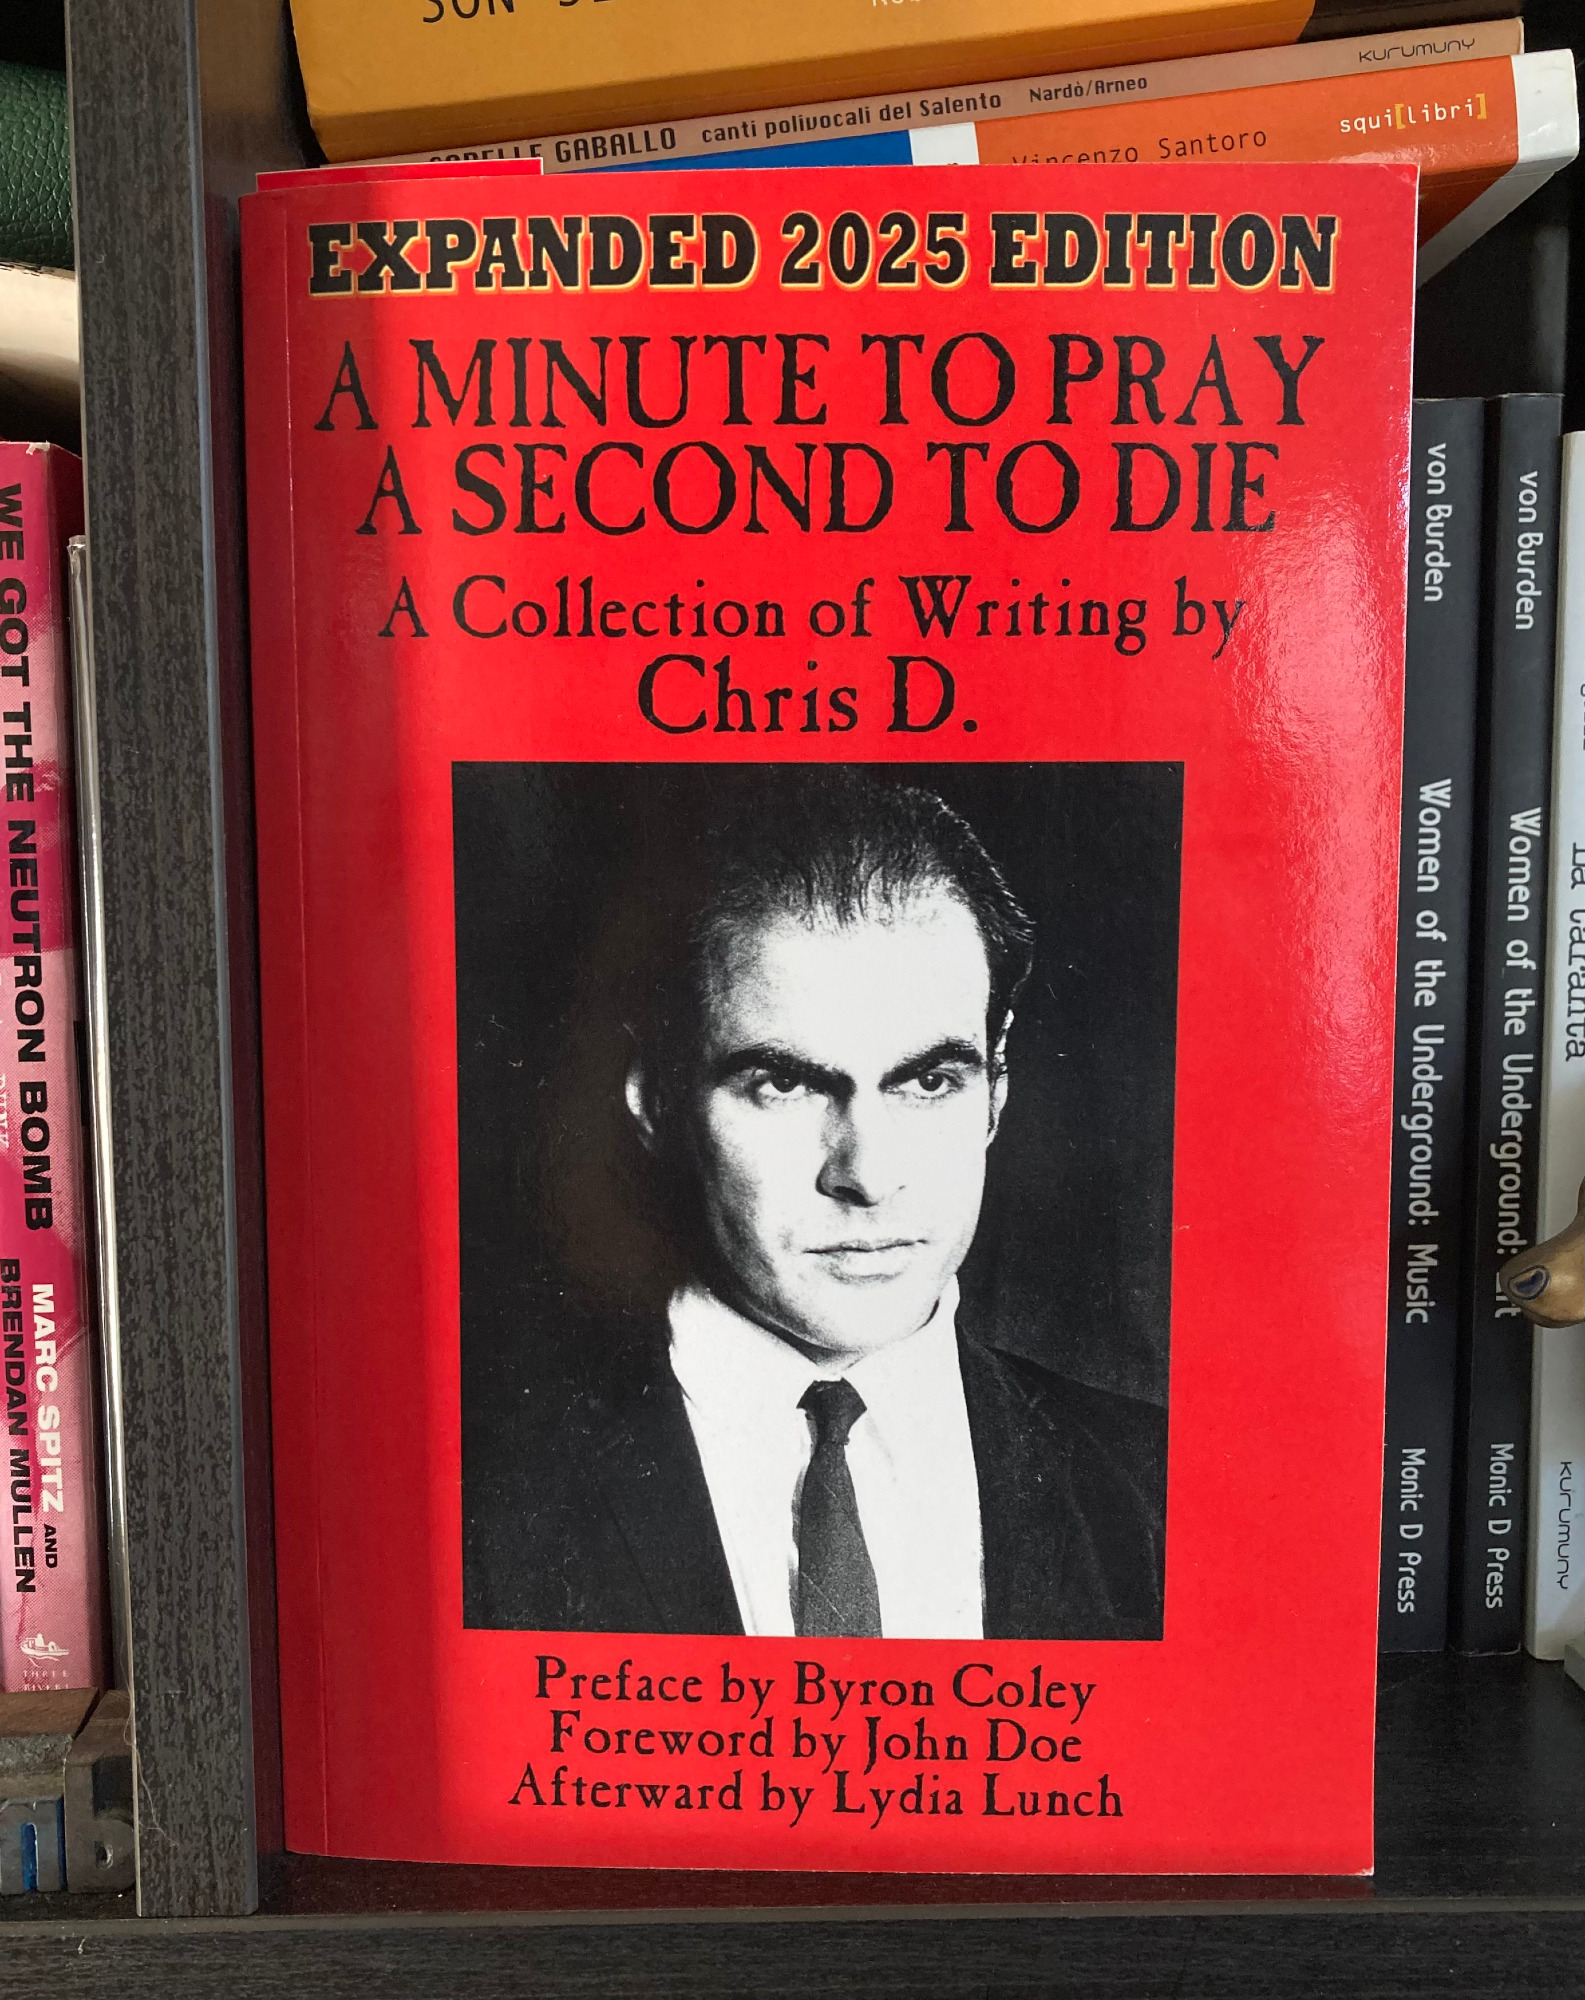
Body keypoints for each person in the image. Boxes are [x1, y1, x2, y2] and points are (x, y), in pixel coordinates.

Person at [466, 770, 1165, 1640]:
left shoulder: (1157, 1488)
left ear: (995, 1093)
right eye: (784, 1084)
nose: (866, 1176)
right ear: (656, 1100)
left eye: (929, 1082)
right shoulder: (470, 1497)